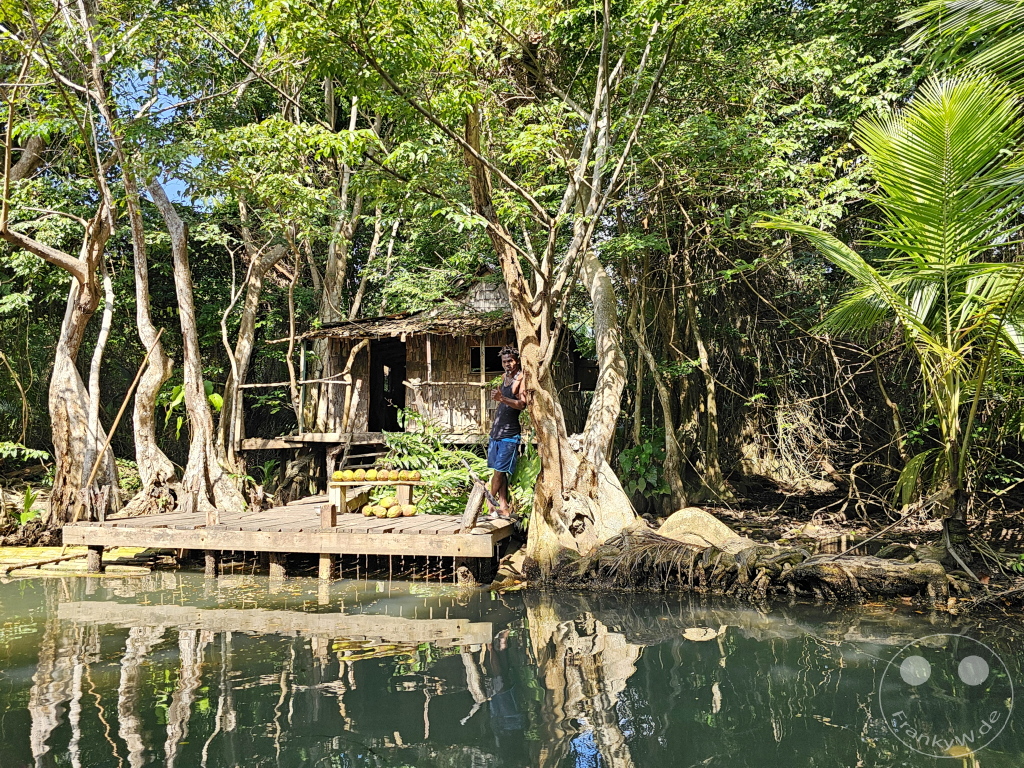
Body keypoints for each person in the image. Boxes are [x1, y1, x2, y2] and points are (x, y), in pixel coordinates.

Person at [487, 345, 526, 518]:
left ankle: (487, 503)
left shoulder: (521, 379)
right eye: (504, 362)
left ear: (517, 361)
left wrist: (502, 398)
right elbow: (503, 401)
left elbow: (523, 404)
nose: (507, 364)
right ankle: (503, 506)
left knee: (498, 473)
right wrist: (499, 396)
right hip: (496, 432)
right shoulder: (505, 377)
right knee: (498, 470)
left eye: (510, 361)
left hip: (510, 434)